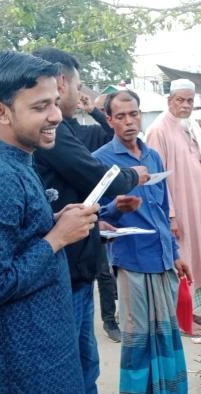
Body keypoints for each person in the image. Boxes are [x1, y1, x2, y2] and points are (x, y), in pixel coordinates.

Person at [0, 51, 100, 394]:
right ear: (1, 111)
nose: (56, 115)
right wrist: (56, 238)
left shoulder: (14, 158)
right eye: (40, 106)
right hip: (28, 362)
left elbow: (15, 236)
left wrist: (55, 220)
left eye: (55, 101)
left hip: (43, 347)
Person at [31, 47, 147, 394]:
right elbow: (96, 173)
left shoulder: (64, 129)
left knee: (85, 369)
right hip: (65, 272)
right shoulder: (52, 135)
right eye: (77, 87)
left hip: (79, 264)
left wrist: (100, 216)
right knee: (76, 372)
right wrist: (133, 176)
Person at [93, 90, 190, 394]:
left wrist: (176, 253)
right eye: (121, 116)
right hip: (132, 261)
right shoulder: (101, 161)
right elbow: (95, 217)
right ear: (110, 120)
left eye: (134, 114)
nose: (130, 121)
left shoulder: (151, 155)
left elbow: (163, 212)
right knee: (138, 341)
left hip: (162, 258)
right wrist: (117, 207)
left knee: (166, 335)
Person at [146, 78, 201, 337]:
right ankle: (181, 320)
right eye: (180, 100)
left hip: (195, 207)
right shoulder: (159, 130)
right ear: (169, 101)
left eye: (190, 100)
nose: (185, 105)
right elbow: (156, 177)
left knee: (195, 260)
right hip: (178, 210)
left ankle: (190, 311)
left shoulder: (187, 126)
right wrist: (171, 216)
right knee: (182, 261)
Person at [72, 92, 121, 343]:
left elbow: (110, 131)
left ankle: (110, 321)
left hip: (93, 211)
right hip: (69, 215)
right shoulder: (55, 137)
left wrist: (93, 111)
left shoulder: (85, 133)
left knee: (103, 272)